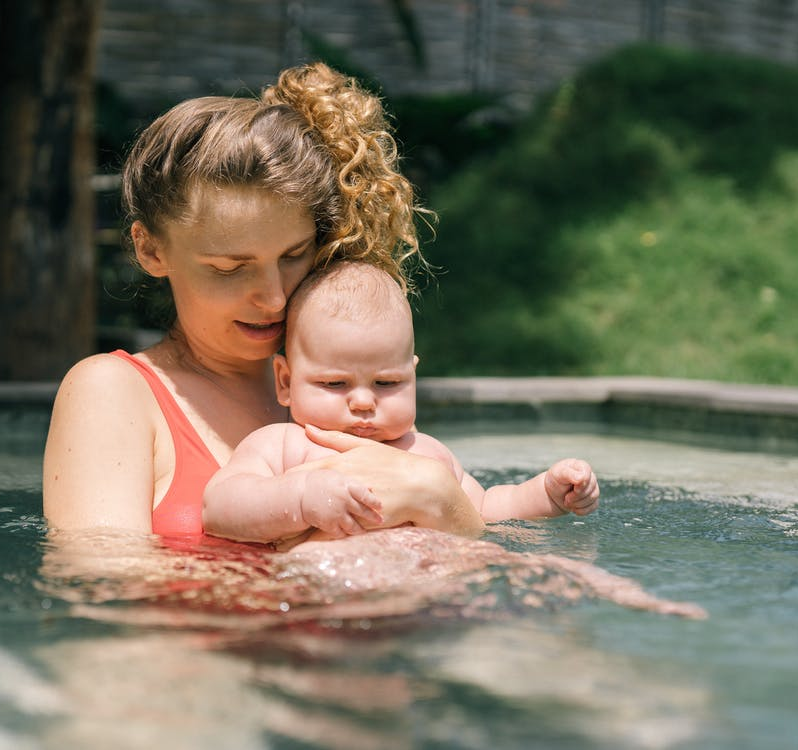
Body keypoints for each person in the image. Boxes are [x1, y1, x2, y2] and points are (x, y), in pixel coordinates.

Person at [43, 62, 484, 540]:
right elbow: (103, 589)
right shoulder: (112, 392)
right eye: (230, 268)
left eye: (294, 255)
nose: (274, 297)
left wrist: (442, 498)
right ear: (151, 249)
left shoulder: (351, 393)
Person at [203, 261, 600, 546]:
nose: (362, 401)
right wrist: (300, 497)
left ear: (412, 376)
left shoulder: (426, 453)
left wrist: (546, 495)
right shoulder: (282, 444)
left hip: (426, 604)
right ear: (286, 381)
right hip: (322, 604)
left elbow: (485, 509)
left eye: (387, 382)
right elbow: (220, 508)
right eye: (334, 382)